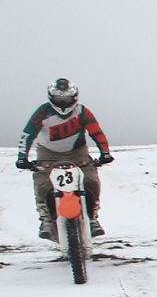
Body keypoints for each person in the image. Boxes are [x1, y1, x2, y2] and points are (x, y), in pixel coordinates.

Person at [15, 78, 112, 240]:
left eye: (66, 99)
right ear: (51, 97)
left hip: (77, 152)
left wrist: (105, 153)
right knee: (42, 181)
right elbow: (28, 134)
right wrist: (21, 158)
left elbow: (96, 132)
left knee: (90, 179)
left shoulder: (82, 111)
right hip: (48, 153)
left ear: (74, 97)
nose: (63, 103)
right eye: (59, 99)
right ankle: (45, 218)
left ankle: (93, 217)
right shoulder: (43, 112)